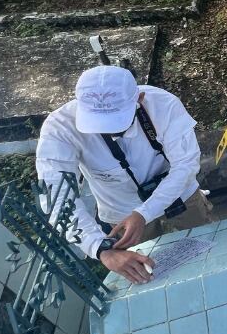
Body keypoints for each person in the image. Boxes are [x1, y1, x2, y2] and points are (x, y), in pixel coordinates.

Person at [36, 65, 214, 284]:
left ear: (139, 99)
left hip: (179, 192)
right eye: (97, 124)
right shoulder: (59, 128)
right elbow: (57, 196)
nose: (108, 131)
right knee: (148, 272)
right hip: (120, 210)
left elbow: (185, 165)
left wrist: (144, 213)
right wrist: (100, 247)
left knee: (209, 245)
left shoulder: (163, 104)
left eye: (117, 122)